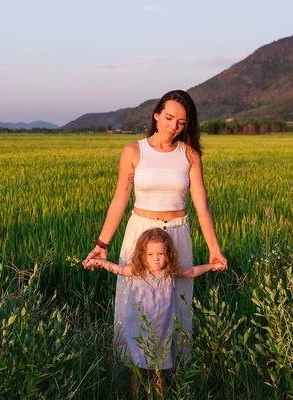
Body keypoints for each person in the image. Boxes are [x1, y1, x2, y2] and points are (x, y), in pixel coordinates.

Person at [82, 89, 227, 360]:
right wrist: (102, 245)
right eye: (169, 118)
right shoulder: (134, 151)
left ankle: (175, 371)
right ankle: (131, 367)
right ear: (156, 116)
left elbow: (202, 206)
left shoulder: (190, 155)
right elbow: (118, 201)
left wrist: (214, 249)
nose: (174, 126)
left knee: (178, 303)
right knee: (134, 301)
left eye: (182, 122)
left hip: (177, 234)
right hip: (140, 234)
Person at [85, 228, 227, 398]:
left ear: (168, 254)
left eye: (160, 253)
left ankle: (160, 397)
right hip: (138, 328)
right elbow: (116, 268)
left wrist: (213, 265)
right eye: (150, 254)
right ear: (142, 255)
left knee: (159, 368)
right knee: (138, 368)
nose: (156, 258)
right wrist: (98, 262)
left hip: (162, 329)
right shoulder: (136, 272)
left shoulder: (169, 273)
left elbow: (191, 272)